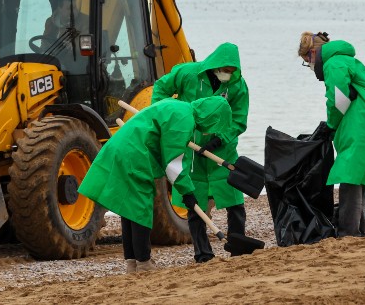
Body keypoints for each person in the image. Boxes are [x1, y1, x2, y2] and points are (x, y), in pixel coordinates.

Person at [78, 96, 232, 273]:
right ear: (211, 115)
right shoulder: (184, 119)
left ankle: (131, 263)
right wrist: (188, 193)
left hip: (121, 148)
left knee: (129, 209)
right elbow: (174, 162)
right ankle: (143, 262)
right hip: (134, 156)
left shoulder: (179, 106)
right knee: (141, 208)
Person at [151, 42, 249, 263]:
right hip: (191, 148)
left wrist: (220, 138)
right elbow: (161, 88)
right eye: (226, 69)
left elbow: (239, 120)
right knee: (195, 202)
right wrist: (163, 117)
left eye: (233, 71)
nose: (228, 74)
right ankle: (203, 253)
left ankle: (238, 247)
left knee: (234, 199)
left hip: (222, 151)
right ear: (215, 64)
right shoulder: (187, 73)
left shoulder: (237, 86)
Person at [298, 31, 365, 237]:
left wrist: (330, 125)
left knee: (349, 176)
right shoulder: (350, 61)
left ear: (313, 53)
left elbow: (338, 99)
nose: (310, 67)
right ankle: (359, 230)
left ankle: (348, 232)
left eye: (307, 61)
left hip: (361, 124)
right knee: (357, 178)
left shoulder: (334, 63)